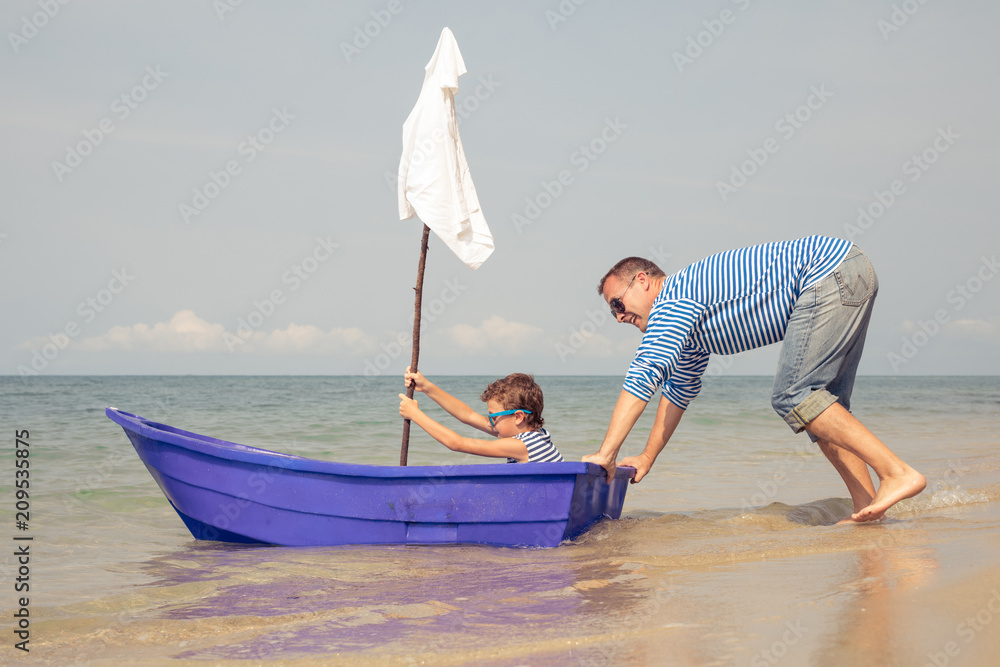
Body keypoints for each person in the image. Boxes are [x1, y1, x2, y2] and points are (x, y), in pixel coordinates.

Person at [582, 235, 925, 523]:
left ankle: (895, 472)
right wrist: (646, 457)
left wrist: (606, 453)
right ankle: (867, 509)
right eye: (613, 311)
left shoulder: (672, 299)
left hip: (828, 272)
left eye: (617, 304)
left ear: (642, 280)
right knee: (820, 409)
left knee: (794, 395)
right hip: (849, 270)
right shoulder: (689, 328)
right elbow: (676, 393)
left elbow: (644, 374)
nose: (619, 317)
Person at [399, 369, 563, 463]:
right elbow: (468, 415)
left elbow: (457, 443)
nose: (490, 421)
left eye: (493, 417)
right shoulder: (535, 435)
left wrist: (415, 414)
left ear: (518, 417)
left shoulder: (521, 445)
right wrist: (427, 387)